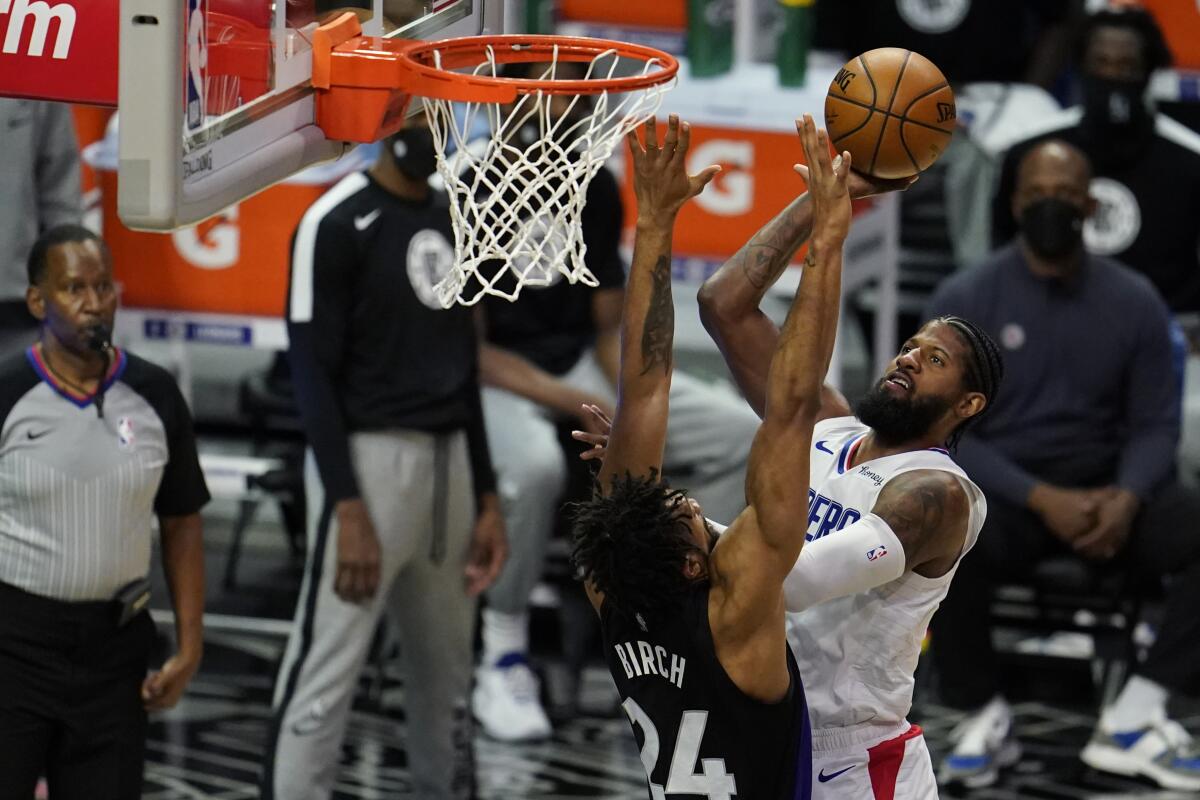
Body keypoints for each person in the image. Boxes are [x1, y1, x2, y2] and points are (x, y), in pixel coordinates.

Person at [686, 119, 1002, 797]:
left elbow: (792, 580)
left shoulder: (936, 495)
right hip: (760, 728)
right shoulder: (826, 427)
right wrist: (833, 198)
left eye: (935, 360)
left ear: (967, 405)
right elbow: (724, 305)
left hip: (854, 760)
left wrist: (689, 527)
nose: (910, 358)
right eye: (912, 346)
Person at [573, 111, 861, 800]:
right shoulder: (728, 615)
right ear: (694, 564)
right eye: (688, 510)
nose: (695, 503)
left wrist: (654, 220)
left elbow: (644, 393)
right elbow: (790, 405)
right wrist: (827, 236)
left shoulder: (619, 579)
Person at [471, 71, 762, 741]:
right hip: (495, 377)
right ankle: (503, 648)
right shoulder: (461, 187)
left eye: (576, 100)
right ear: (509, 102)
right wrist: (568, 398)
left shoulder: (594, 187)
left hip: (578, 365)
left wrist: (636, 397)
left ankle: (674, 605)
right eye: (546, 97)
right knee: (538, 469)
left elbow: (606, 327)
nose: (563, 110)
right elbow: (469, 353)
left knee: (735, 433)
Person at [927, 139, 1200, 791]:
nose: (1053, 204)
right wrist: (1041, 496)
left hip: (1111, 496)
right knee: (936, 518)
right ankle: (982, 713)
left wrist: (1129, 495)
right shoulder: (967, 299)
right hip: (1012, 498)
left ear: (1090, 202)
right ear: (1017, 202)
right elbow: (949, 431)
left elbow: (1156, 424)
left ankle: (1139, 710)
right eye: (1039, 193)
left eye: (1067, 193)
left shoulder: (1134, 300)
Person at [261, 114, 507, 800]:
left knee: (447, 678)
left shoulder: (453, 216)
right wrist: (346, 504)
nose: (430, 131)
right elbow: (311, 375)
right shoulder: (334, 221)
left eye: (438, 117)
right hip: (367, 466)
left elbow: (463, 367)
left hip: (451, 467)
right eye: (416, 115)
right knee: (327, 668)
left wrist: (486, 495)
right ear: (382, 118)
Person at [0, 225, 208, 798]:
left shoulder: (156, 394)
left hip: (115, 650)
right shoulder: (9, 392)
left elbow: (183, 521)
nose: (94, 304)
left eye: (103, 287)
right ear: (38, 301)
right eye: (74, 289)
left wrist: (190, 646)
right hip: (15, 647)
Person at [989, 6, 1200, 313]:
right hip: (1048, 322)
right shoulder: (1030, 150)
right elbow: (1001, 244)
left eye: (1127, 66)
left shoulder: (1190, 161)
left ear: (1149, 71)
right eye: (1101, 64)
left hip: (1166, 333)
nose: (1113, 75)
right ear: (1081, 68)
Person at [0, 100, 82, 358]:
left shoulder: (35, 72)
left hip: (17, 305)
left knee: (22, 396)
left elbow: (60, 192)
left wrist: (67, 281)